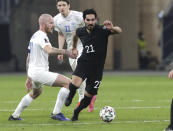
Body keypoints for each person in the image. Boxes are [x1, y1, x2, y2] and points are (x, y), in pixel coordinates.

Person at [8, 14, 77, 121]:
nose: (52, 26)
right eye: (50, 23)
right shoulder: (41, 36)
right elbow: (49, 50)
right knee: (69, 83)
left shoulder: (34, 36)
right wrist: (66, 52)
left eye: (53, 23)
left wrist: (28, 77)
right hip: (39, 72)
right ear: (43, 24)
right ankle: (57, 113)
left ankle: (15, 115)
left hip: (33, 72)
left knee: (36, 93)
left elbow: (28, 57)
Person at [64, 8, 122, 121]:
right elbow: (75, 36)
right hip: (84, 62)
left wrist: (112, 28)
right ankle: (70, 96)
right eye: (88, 20)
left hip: (97, 69)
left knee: (88, 98)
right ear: (84, 20)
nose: (90, 22)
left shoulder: (102, 30)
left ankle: (76, 112)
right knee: (74, 84)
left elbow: (119, 30)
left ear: (95, 20)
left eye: (93, 20)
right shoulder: (80, 31)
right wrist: (74, 48)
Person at [53, 0, 96, 112]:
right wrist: (61, 51)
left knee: (78, 70)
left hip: (82, 46)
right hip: (70, 49)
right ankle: (89, 96)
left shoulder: (78, 16)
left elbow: (90, 27)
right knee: (77, 76)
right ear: (57, 7)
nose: (61, 7)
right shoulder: (56, 19)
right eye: (59, 5)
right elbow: (61, 34)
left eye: (64, 5)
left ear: (69, 6)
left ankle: (84, 98)